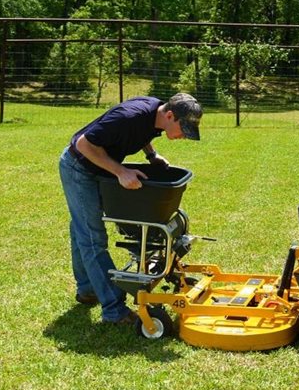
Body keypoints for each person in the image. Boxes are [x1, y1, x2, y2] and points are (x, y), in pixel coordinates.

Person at [59, 93, 203, 325]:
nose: (183, 136)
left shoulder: (154, 116)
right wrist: (120, 172)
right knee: (92, 237)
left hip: (97, 166)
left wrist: (151, 155)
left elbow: (139, 133)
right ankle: (114, 311)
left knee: (82, 229)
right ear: (169, 115)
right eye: (183, 129)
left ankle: (87, 289)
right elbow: (83, 144)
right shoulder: (130, 116)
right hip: (79, 167)